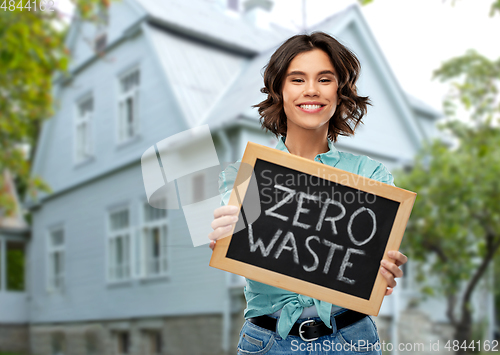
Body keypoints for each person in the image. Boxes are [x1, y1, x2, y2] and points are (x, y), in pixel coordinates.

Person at [208, 32, 407, 355]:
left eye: (324, 79)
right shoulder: (243, 177)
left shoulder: (372, 177)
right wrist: (226, 238)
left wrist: (382, 271)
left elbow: (372, 264)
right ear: (280, 91)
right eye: (297, 79)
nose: (311, 90)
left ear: (340, 92)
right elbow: (242, 254)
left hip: (351, 339)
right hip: (267, 343)